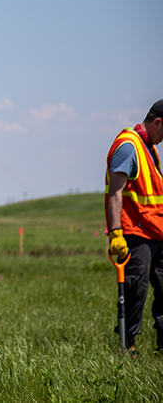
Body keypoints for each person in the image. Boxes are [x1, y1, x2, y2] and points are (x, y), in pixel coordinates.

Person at [105, 99, 163, 354]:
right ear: (157, 122)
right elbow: (115, 191)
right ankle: (127, 346)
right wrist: (116, 233)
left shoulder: (150, 148)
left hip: (157, 231)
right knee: (135, 289)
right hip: (136, 233)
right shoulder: (129, 146)